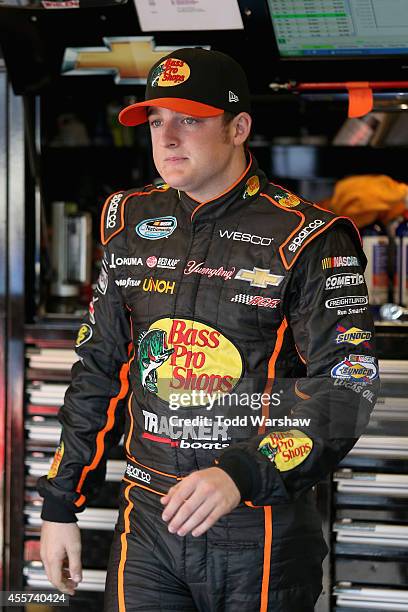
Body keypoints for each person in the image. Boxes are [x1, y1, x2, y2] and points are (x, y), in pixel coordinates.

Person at [38, 47, 379, 612]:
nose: (166, 137)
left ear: (239, 127)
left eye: (188, 120)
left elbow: (346, 388)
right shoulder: (130, 219)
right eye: (155, 121)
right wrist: (59, 505)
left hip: (259, 529)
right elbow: (99, 369)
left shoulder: (311, 237)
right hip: (148, 520)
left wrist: (243, 474)